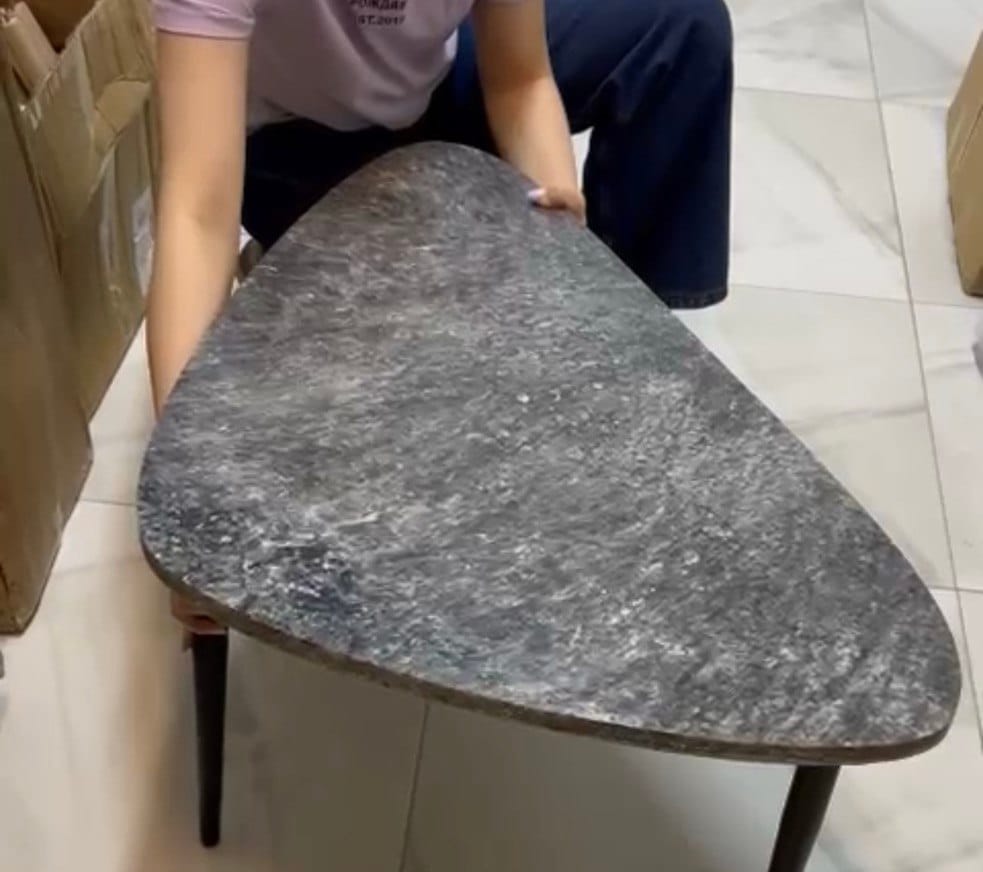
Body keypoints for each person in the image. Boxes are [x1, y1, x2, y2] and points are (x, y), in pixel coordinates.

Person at [149, 0, 733, 631]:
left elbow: (521, 80)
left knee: (681, 26)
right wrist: (193, 507)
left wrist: (559, 247)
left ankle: (623, 366)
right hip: (298, 147)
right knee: (374, 402)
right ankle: (300, 256)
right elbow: (197, 213)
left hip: (435, 91)